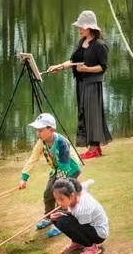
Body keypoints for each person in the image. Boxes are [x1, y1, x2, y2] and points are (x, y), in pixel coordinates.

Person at [47, 10, 111, 159]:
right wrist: (59, 66)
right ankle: (94, 147)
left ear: (90, 27)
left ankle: (94, 148)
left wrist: (87, 69)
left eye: (82, 26)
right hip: (81, 83)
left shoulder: (100, 45)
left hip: (93, 84)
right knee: (84, 113)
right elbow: (73, 61)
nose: (79, 29)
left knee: (92, 114)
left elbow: (103, 67)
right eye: (80, 26)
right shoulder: (80, 42)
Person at [19, 113, 82, 238]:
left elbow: (64, 167)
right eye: (37, 130)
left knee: (61, 195)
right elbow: (33, 158)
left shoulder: (62, 143)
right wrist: (24, 178)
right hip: (57, 169)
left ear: (51, 130)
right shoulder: (41, 142)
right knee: (48, 193)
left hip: (70, 169)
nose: (38, 133)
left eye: (41, 130)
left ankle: (60, 222)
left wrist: (59, 184)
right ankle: (48, 217)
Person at [46, 177, 108, 254]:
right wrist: (90, 181)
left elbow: (79, 226)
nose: (59, 203)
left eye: (61, 199)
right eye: (56, 199)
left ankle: (91, 248)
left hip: (99, 234)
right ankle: (78, 242)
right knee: (55, 217)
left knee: (64, 222)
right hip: (87, 225)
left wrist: (65, 215)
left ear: (71, 196)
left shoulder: (82, 209)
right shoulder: (76, 190)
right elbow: (85, 184)